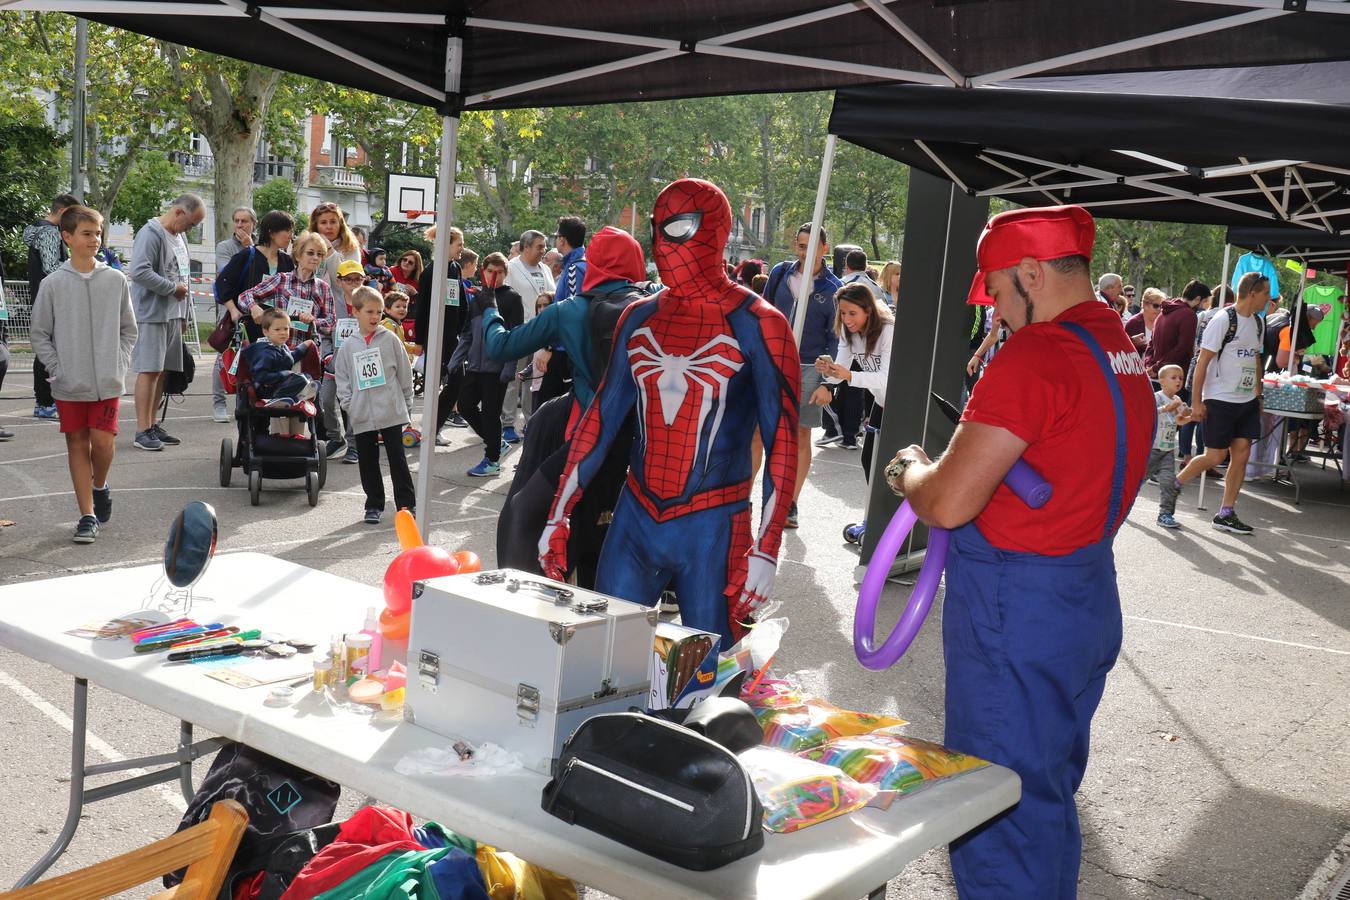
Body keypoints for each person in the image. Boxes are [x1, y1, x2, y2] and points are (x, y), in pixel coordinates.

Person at [886, 205, 1153, 900]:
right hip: (1084, 594)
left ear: (1033, 273)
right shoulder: (1121, 351)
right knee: (1043, 796)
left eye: (1001, 294)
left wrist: (907, 469)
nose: (998, 316)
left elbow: (947, 501)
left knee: (998, 811)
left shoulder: (1038, 353)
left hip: (1017, 612)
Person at [539, 179, 800, 655]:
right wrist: (559, 513)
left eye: (680, 228)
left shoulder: (760, 323)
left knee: (711, 681)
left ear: (716, 232)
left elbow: (783, 440)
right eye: (658, 229)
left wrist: (767, 545)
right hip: (637, 511)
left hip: (714, 521)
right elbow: (599, 419)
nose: (664, 244)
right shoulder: (638, 317)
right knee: (608, 661)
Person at [29, 205, 138, 543]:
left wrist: (118, 364)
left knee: (103, 444)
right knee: (76, 443)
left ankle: (100, 485)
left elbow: (128, 331)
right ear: (68, 237)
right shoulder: (53, 284)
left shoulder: (115, 280)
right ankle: (87, 515)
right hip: (68, 385)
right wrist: (58, 369)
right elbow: (39, 334)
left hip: (107, 381)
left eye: (98, 233)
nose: (95, 239)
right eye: (87, 233)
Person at [1174, 271, 1270, 534]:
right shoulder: (1223, 320)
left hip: (1247, 400)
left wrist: (1258, 394)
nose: (1268, 298)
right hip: (1220, 399)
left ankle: (1226, 513)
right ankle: (1174, 485)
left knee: (1241, 455)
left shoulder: (1259, 323)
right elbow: (1202, 361)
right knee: (1215, 456)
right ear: (1252, 292)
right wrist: (1197, 401)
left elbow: (1255, 360)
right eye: (1265, 292)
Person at [761, 222, 843, 527]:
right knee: (757, 431)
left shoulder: (833, 288)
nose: (805, 251)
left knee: (800, 434)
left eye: (812, 246)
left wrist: (827, 382)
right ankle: (744, 498)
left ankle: (790, 503)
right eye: (800, 245)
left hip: (810, 366)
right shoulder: (781, 273)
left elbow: (837, 339)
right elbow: (764, 311)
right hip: (772, 361)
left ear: (824, 248)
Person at [129, 193, 205, 452]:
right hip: (152, 314)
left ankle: (152, 425)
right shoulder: (151, 233)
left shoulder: (180, 237)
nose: (192, 229)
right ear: (179, 212)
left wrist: (184, 314)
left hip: (173, 314)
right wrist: (171, 289)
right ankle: (142, 430)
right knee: (149, 370)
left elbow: (184, 275)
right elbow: (139, 271)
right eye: (192, 223)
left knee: (162, 372)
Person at [336, 286, 416, 524]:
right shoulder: (349, 345)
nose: (374, 317)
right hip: (362, 413)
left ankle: (405, 504)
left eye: (379, 312)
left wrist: (406, 401)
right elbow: (343, 378)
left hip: (390, 409)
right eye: (369, 311)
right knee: (368, 461)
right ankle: (374, 504)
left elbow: (404, 372)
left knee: (397, 459)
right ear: (355, 312)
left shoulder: (390, 339)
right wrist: (349, 404)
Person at [213, 210, 296, 422]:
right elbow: (223, 286)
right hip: (249, 327)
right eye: (287, 231)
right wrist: (234, 311)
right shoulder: (247, 255)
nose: (290, 236)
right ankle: (246, 426)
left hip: (277, 330)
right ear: (272, 232)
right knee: (248, 377)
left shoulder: (287, 261)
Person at [812, 282, 894, 495]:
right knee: (869, 460)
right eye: (843, 312)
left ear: (868, 310)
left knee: (894, 467)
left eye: (852, 313)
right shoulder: (849, 333)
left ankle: (888, 520)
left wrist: (848, 375)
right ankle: (874, 520)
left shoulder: (888, 331)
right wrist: (828, 372)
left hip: (903, 406)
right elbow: (841, 373)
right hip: (881, 402)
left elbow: (885, 379)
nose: (847, 319)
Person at [448, 252, 523, 477]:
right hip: (474, 367)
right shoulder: (479, 297)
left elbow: (514, 336)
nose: (494, 276)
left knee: (491, 414)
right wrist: (456, 360)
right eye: (490, 271)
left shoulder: (512, 298)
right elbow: (468, 333)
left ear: (505, 274)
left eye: (499, 272)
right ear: (484, 271)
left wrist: (509, 368)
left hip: (496, 369)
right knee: (466, 405)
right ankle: (496, 442)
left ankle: (492, 460)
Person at [24, 193, 80, 420]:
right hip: (51, 299)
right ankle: (45, 402)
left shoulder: (36, 230)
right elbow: (51, 268)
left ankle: (46, 401)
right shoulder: (49, 232)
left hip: (41, 296)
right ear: (63, 211)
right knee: (49, 351)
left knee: (47, 349)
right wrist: (77, 265)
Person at [413, 224, 469, 440]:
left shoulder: (455, 268)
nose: (462, 249)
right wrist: (419, 340)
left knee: (457, 382)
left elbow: (460, 302)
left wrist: (466, 329)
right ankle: (429, 429)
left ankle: (433, 426)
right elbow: (422, 307)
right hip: (434, 337)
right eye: (459, 244)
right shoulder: (430, 272)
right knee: (433, 384)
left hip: (452, 337)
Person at [504, 229, 557, 433]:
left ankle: (529, 422)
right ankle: (508, 423)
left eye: (544, 246)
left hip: (542, 332)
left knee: (533, 379)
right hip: (520, 330)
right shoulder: (511, 268)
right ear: (526, 247)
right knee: (513, 378)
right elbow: (506, 299)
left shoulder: (544, 268)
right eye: (539, 247)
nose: (543, 251)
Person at [244, 309, 316, 436]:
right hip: (268, 390)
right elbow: (261, 377)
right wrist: (284, 374)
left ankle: (303, 392)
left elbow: (291, 359)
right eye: (277, 330)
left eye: (286, 329)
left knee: (304, 380)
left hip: (280, 387)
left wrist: (303, 347)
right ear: (266, 331)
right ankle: (301, 393)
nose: (283, 333)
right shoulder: (265, 353)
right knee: (299, 380)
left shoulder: (282, 347)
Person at [1147, 364, 1191, 529]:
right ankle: (1120, 502)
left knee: (1169, 483)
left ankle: (1165, 514)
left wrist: (1189, 416)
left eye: (1180, 377)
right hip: (1153, 449)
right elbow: (1148, 413)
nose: (1178, 381)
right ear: (1162, 381)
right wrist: (1166, 408)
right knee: (1137, 480)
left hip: (1168, 450)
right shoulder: (1157, 397)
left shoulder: (1178, 400)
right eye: (1174, 377)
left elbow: (1179, 421)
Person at [554, 216, 588, 305]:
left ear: (562, 240)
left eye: (556, 236)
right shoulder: (582, 264)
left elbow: (574, 309)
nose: (556, 240)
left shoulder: (574, 269)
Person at [1124, 287, 1165, 356]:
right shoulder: (1133, 323)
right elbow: (1125, 350)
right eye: (1156, 306)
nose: (1160, 309)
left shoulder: (1163, 322)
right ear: (1145, 305)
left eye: (1162, 306)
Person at [215, 206, 255, 272]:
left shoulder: (263, 245)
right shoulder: (224, 246)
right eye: (236, 221)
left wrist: (251, 247)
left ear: (254, 224)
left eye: (244, 221)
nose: (239, 225)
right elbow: (227, 273)